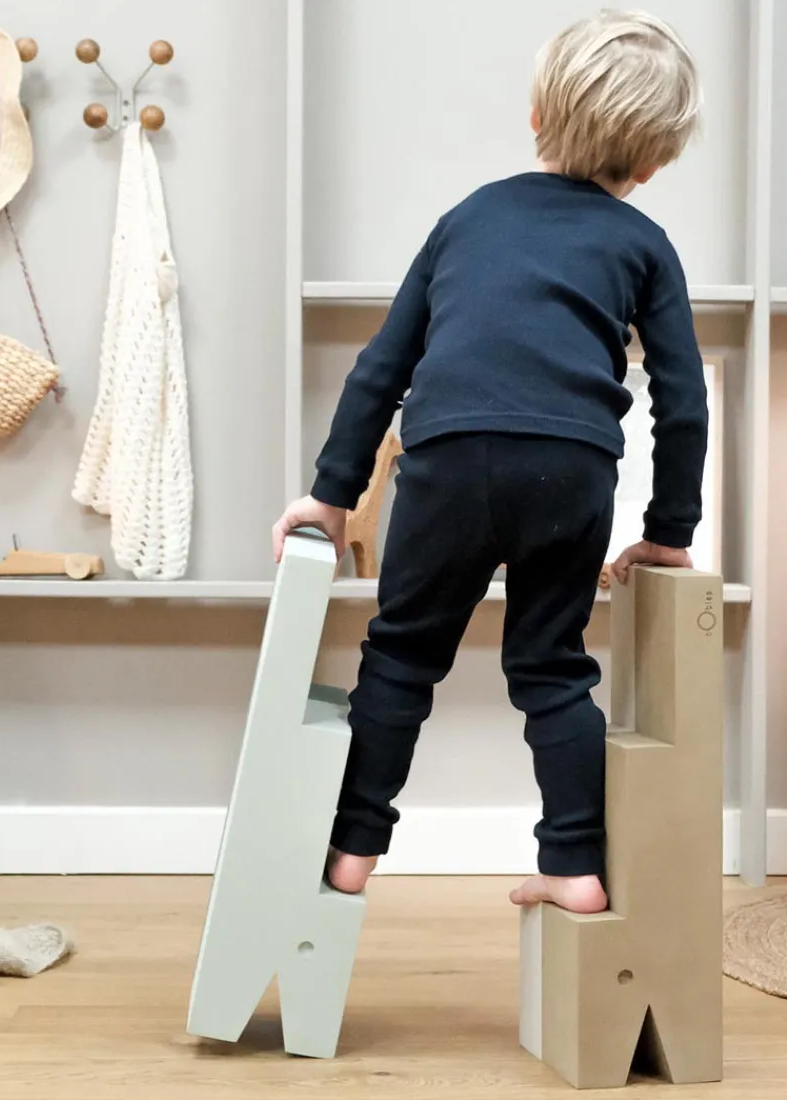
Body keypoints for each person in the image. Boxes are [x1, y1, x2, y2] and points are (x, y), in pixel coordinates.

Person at [272, 10, 706, 914]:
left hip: (448, 459)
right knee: (552, 668)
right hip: (572, 471)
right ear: (654, 162)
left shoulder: (467, 218)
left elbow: (382, 368)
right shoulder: (645, 245)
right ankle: (575, 864)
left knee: (401, 656)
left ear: (538, 116)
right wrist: (669, 532)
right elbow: (682, 400)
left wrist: (330, 497)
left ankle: (352, 850)